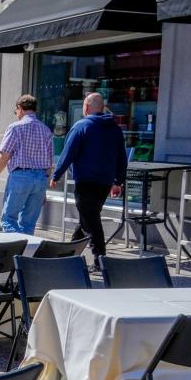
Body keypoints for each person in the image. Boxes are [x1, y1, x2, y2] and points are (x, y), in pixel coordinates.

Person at [51, 92, 127, 268]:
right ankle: (68, 255)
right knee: (87, 217)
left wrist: (56, 175)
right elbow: (121, 157)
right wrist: (118, 181)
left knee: (90, 220)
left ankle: (101, 259)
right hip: (105, 183)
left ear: (85, 108)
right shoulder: (115, 128)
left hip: (85, 181)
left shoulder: (82, 126)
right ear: (101, 108)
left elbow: (68, 153)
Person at [0, 94, 53, 235]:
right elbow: (49, 163)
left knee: (8, 219)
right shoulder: (46, 130)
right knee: (28, 224)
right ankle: (24, 254)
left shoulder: (15, 128)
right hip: (40, 178)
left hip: (21, 176)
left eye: (16, 111)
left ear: (20, 108)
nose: (16, 114)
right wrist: (44, 188)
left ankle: (14, 251)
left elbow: (4, 156)